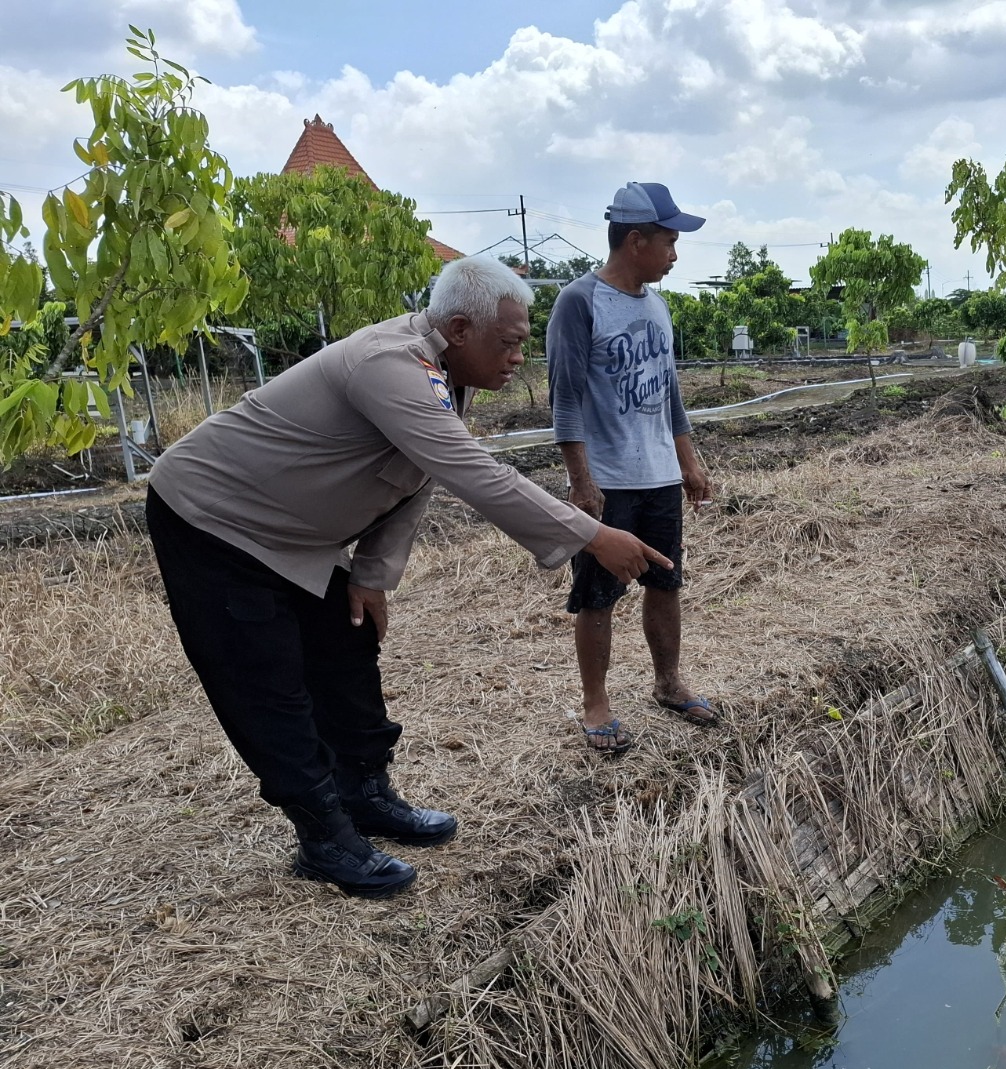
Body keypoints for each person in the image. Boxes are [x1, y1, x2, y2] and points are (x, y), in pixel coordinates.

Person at [146, 256, 671, 899]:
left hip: (298, 537)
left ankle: (365, 794)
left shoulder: (448, 373)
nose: (517, 359)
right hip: (215, 520)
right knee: (266, 680)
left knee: (347, 649)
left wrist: (371, 574)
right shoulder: (389, 366)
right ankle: (323, 834)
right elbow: (468, 471)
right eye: (509, 344)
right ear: (458, 327)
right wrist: (594, 534)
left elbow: (415, 478)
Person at [548, 182, 717, 754]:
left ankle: (668, 684)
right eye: (669, 240)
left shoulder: (658, 305)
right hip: (608, 480)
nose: (675, 252)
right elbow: (566, 399)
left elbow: (669, 392)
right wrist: (581, 480)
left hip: (658, 477)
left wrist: (687, 461)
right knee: (597, 593)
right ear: (636, 240)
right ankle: (596, 704)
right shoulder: (579, 302)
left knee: (665, 581)